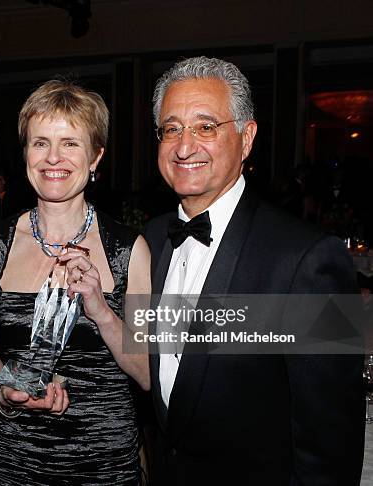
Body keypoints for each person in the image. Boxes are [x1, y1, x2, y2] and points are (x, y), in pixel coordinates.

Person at [144, 56, 364, 485]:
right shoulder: (151, 242)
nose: (184, 146)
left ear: (246, 139)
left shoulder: (312, 259)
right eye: (171, 129)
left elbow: (332, 443)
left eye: (206, 127)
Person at [0, 79, 151, 485]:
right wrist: (7, 392)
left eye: (70, 143)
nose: (53, 157)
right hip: (14, 462)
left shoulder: (128, 250)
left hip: (104, 465)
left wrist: (101, 310)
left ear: (96, 157)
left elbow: (149, 374)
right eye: (40, 143)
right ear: (25, 155)